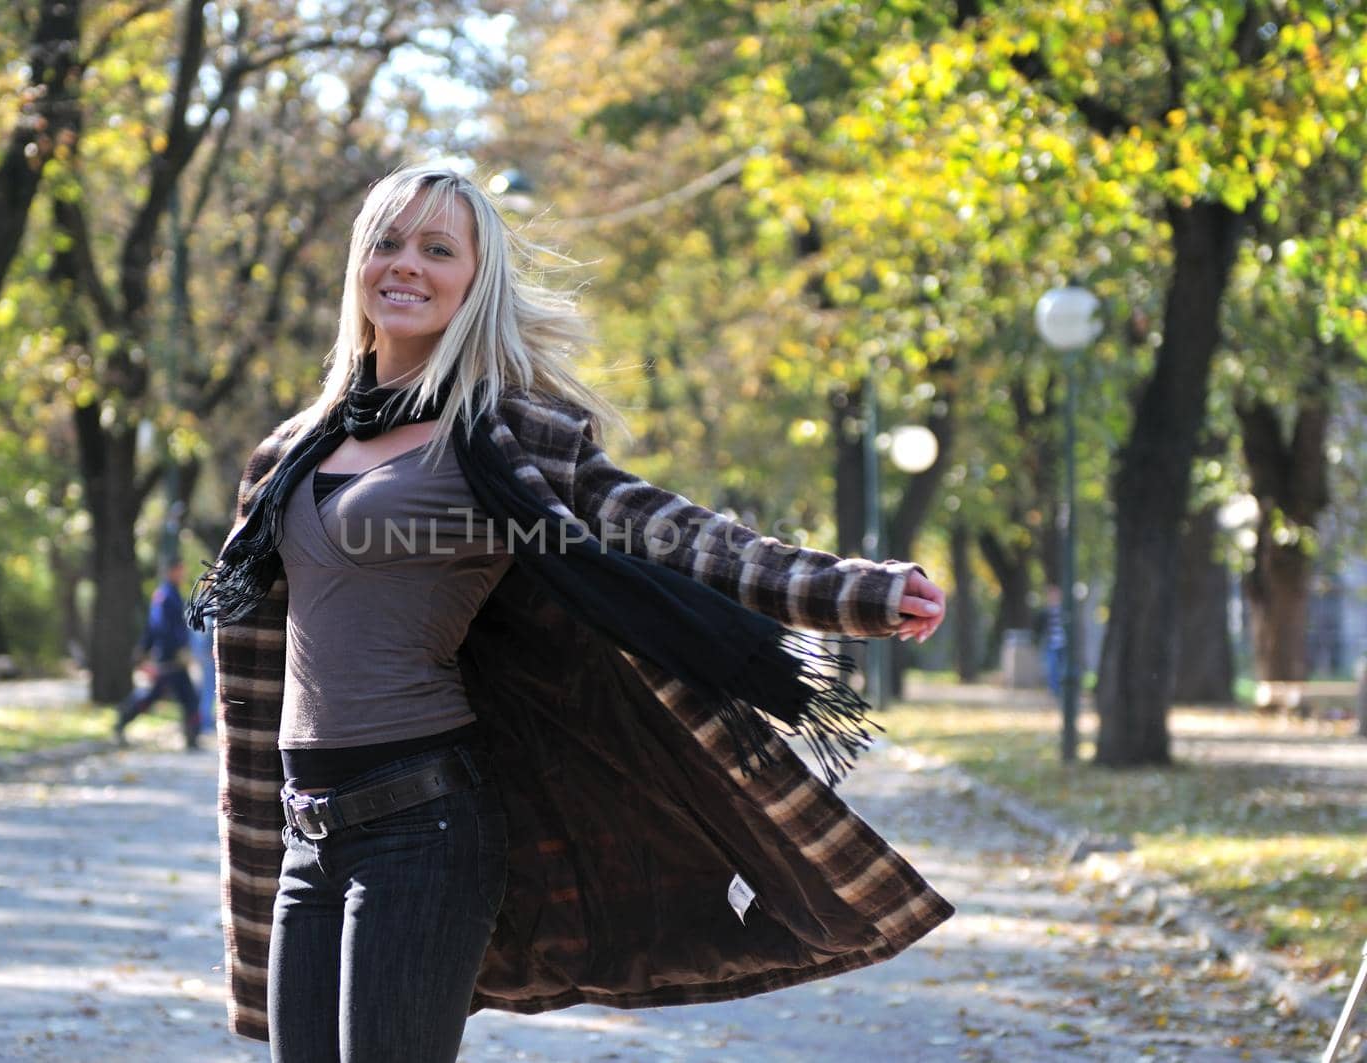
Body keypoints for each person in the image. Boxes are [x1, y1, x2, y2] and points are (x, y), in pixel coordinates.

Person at [188, 166, 952, 1062]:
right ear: (359, 262)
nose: (408, 265)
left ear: (476, 281)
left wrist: (851, 590)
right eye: (389, 243)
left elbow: (669, 531)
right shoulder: (289, 452)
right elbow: (259, 666)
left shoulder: (502, 431)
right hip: (308, 837)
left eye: (439, 249)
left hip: (423, 829)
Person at [114, 557, 201, 750]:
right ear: (171, 571)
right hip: (169, 658)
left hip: (174, 658)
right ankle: (123, 717)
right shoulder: (165, 595)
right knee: (154, 696)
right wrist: (175, 648)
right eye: (180, 569)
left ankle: (192, 738)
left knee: (188, 697)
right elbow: (159, 627)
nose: (183, 574)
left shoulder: (173, 593)